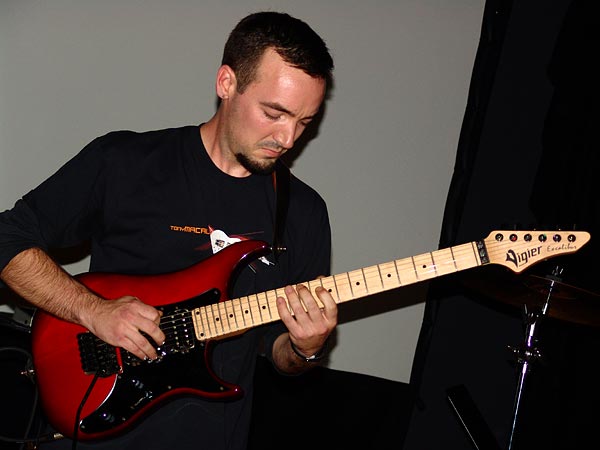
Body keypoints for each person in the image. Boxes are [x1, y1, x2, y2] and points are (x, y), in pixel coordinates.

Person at [0, 11, 337, 450]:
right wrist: (93, 310)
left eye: (304, 122)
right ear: (227, 83)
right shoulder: (124, 162)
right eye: (274, 113)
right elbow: (7, 239)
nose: (288, 138)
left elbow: (279, 353)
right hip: (98, 429)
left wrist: (306, 347)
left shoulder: (303, 213)